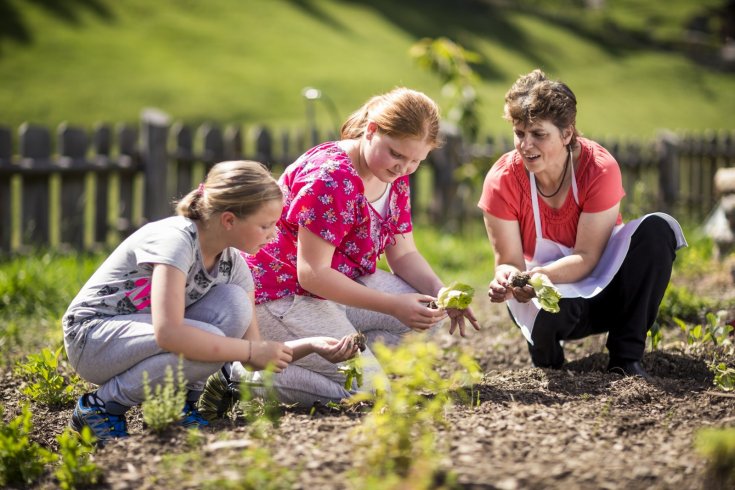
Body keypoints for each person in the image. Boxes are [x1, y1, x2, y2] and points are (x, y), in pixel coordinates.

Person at [217, 87, 481, 407]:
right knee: (366, 392)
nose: (403, 168)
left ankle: (344, 361)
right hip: (280, 294)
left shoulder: (392, 174)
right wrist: (393, 305)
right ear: (371, 130)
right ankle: (238, 376)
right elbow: (312, 274)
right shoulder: (333, 177)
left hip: (335, 288)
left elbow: (404, 253)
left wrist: (443, 293)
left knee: (427, 313)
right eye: (397, 154)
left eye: (415, 161)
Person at [63, 160, 357, 444]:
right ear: (229, 219)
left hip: (137, 339)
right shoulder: (176, 241)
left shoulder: (233, 265)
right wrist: (247, 349)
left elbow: (252, 356)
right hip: (91, 338)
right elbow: (170, 333)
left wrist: (314, 344)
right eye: (266, 225)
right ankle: (100, 406)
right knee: (211, 342)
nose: (274, 234)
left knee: (234, 305)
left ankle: (179, 403)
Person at [480, 69, 687, 380]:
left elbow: (588, 257)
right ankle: (548, 362)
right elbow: (508, 261)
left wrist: (536, 276)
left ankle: (626, 358)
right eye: (519, 133)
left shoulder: (598, 168)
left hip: (606, 290)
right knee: (555, 310)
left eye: (538, 134)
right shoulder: (502, 181)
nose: (525, 144)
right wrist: (510, 279)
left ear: (566, 134)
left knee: (657, 229)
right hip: (552, 301)